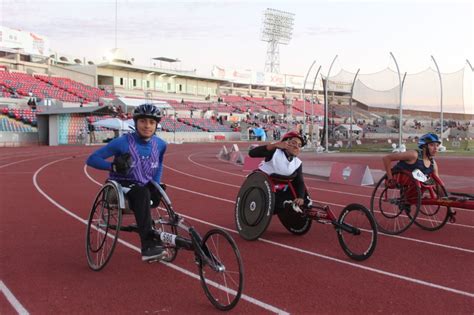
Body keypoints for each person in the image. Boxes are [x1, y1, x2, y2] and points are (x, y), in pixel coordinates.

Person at [86, 104, 167, 262]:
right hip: (120, 186)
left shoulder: (161, 145)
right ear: (136, 122)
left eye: (151, 122)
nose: (147, 126)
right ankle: (148, 246)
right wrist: (113, 166)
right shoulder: (122, 143)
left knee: (155, 191)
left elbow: (159, 164)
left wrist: (156, 185)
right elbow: (91, 159)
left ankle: (153, 232)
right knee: (141, 193)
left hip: (143, 184)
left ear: (156, 124)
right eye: (143, 121)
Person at [249, 131, 309, 211]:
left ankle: (302, 205)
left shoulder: (297, 162)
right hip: (263, 187)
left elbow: (300, 181)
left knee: (304, 196)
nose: (296, 147)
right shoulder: (274, 152)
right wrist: (275, 145)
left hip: (282, 188)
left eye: (299, 145)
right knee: (279, 200)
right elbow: (252, 153)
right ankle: (285, 204)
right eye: (294, 143)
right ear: (285, 142)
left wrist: (301, 197)